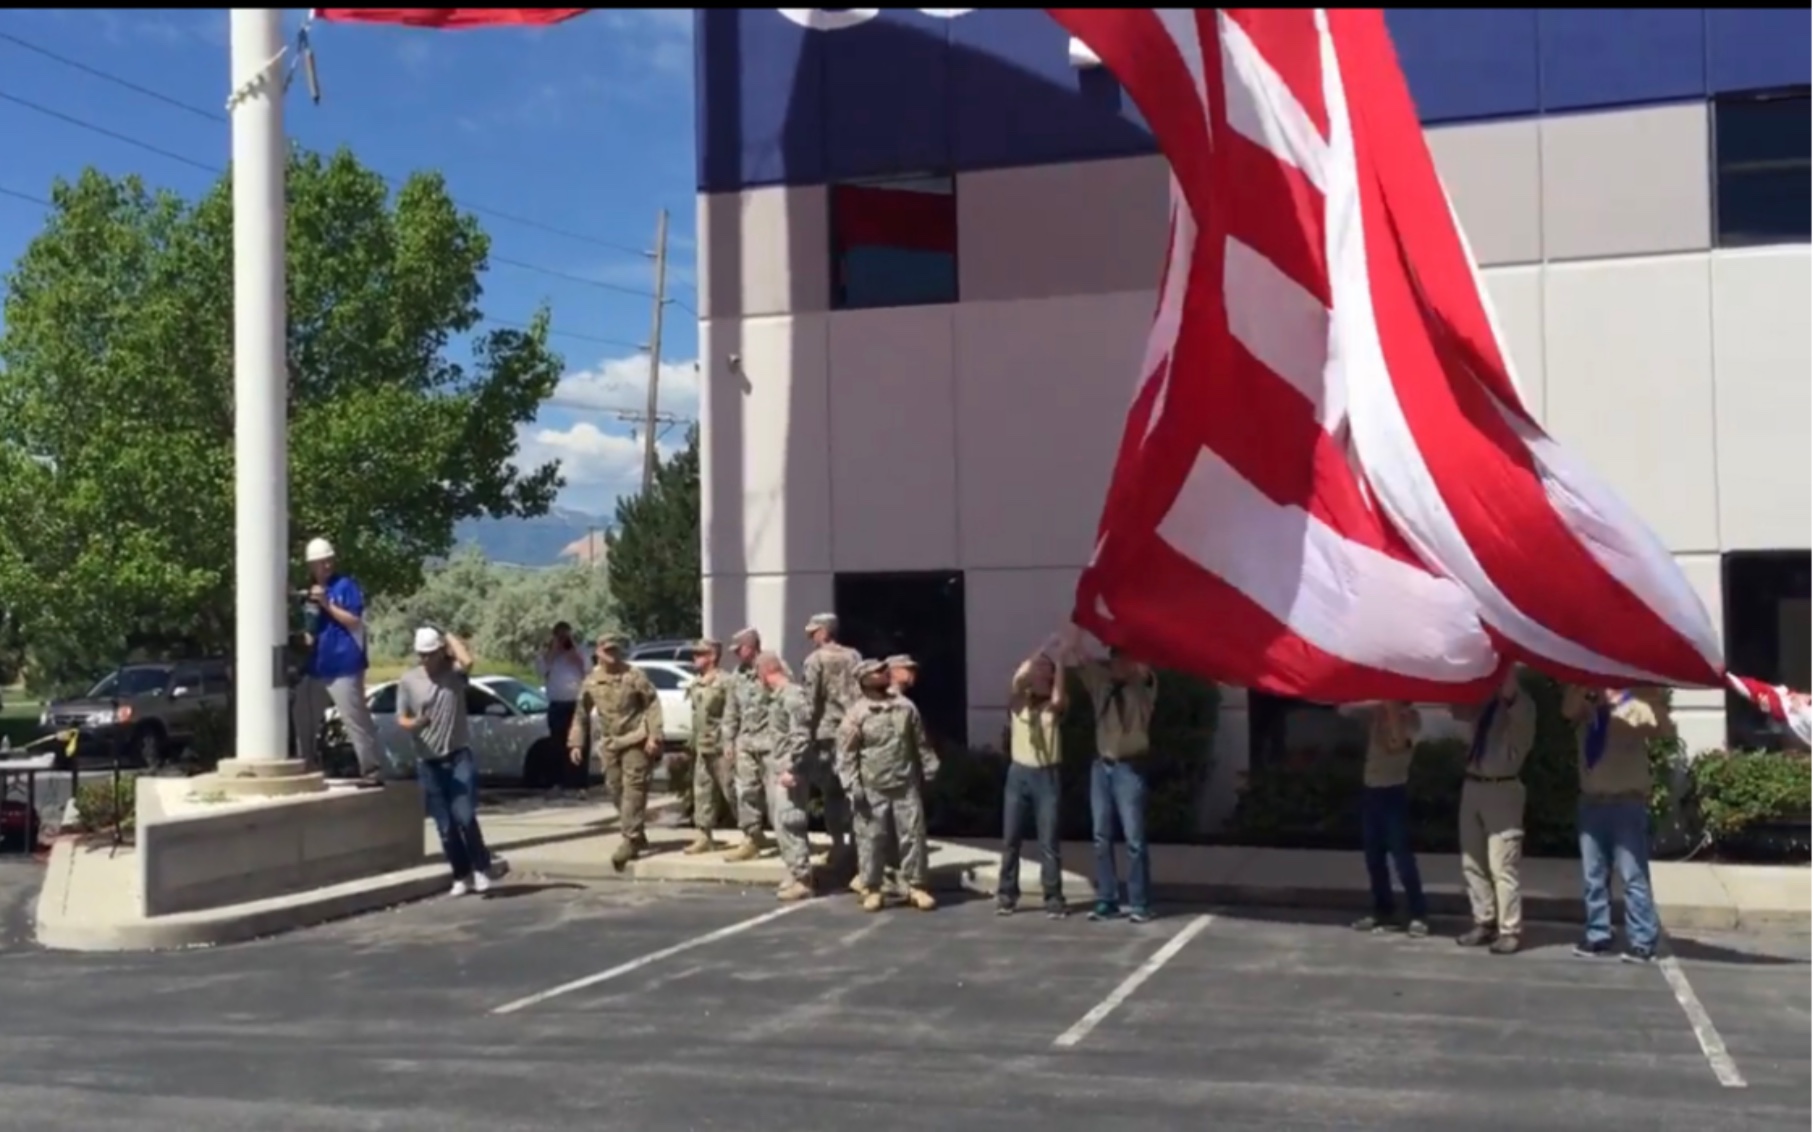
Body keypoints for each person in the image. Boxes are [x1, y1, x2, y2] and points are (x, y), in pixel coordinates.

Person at [1562, 684, 1668, 963]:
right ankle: (1598, 934)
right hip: (1592, 800)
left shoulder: (1642, 694)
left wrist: (1620, 700)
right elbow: (1567, 711)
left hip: (1626, 801)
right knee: (1593, 875)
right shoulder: (1585, 692)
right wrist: (1587, 695)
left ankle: (1643, 940)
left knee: (1633, 875)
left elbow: (1659, 724)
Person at [397, 627, 505, 897]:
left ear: (439, 652)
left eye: (430, 654)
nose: (425, 660)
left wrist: (447, 635)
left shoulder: (454, 675)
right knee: (444, 825)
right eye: (421, 655)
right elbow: (402, 718)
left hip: (458, 755)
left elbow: (467, 661)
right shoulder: (409, 680)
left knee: (465, 816)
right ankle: (461, 874)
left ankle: (481, 868)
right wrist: (416, 723)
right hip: (428, 761)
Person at [838, 659, 940, 912]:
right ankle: (872, 888)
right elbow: (846, 754)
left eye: (884, 670)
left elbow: (920, 742)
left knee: (913, 836)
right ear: (864, 680)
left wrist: (930, 766)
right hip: (872, 788)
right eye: (876, 672)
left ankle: (916, 886)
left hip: (905, 785)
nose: (883, 674)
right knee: (871, 840)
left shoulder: (905, 707)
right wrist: (852, 786)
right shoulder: (857, 714)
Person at [1453, 667, 1537, 955]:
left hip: (1502, 788)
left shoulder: (1522, 707)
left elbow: (1513, 700)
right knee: (1472, 860)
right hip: (1473, 785)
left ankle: (1509, 928)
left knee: (1502, 864)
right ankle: (1483, 920)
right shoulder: (1483, 703)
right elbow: (1458, 712)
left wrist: (1503, 676)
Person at [1073, 644, 1159, 923]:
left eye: (1124, 659)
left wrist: (1139, 662)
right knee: (1101, 836)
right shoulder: (1102, 686)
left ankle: (1140, 902)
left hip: (1129, 766)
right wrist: (1071, 636)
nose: (1118, 665)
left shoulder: (1142, 687)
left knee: (1134, 839)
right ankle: (1107, 899)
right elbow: (1082, 661)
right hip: (1102, 766)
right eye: (1115, 660)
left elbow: (1147, 674)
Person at [292, 537, 385, 784]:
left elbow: (354, 620)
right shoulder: (311, 590)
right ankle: (307, 762)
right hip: (318, 665)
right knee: (303, 712)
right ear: (312, 565)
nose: (326, 566)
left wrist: (327, 604)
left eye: (328, 561)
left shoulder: (345, 586)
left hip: (344, 663)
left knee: (355, 718)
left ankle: (371, 768)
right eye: (320, 562)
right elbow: (311, 624)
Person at [568, 633, 664, 871]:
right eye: (607, 651)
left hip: (635, 739)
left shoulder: (634, 676)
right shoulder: (591, 681)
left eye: (616, 650)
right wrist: (576, 743)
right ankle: (637, 832)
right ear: (598, 653)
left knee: (634, 788)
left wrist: (654, 735)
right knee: (614, 789)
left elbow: (652, 703)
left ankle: (630, 840)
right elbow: (581, 713)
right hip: (610, 742)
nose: (612, 655)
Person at [1343, 701, 1429, 936]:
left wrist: (1390, 709)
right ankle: (1384, 909)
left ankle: (1418, 912)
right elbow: (1344, 708)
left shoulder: (1411, 719)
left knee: (1402, 857)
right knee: (1374, 857)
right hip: (1371, 791)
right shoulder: (1376, 712)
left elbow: (1396, 744)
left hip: (1393, 792)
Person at [997, 651, 1069, 918]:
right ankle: (1006, 894)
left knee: (1048, 840)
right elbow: (1016, 683)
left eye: (1045, 671)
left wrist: (1059, 664)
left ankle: (1053, 897)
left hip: (1046, 776)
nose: (1040, 674)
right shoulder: (1018, 704)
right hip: (1019, 774)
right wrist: (1032, 659)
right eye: (1036, 670)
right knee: (1011, 838)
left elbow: (1060, 698)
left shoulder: (1053, 706)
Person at [801, 613, 859, 865]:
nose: (811, 637)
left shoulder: (815, 661)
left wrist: (805, 733)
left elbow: (810, 701)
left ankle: (838, 845)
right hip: (853, 731)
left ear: (825, 632)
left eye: (814, 632)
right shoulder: (854, 656)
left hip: (827, 735)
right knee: (855, 791)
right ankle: (858, 846)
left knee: (833, 793)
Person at [760, 652, 817, 901]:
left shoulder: (793, 696)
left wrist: (792, 768)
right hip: (778, 768)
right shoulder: (778, 697)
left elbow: (801, 737)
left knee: (790, 821)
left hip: (790, 772)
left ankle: (803, 878)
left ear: (765, 672)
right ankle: (794, 871)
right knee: (781, 823)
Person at [719, 628, 773, 862]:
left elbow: (785, 701)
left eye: (739, 649)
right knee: (746, 792)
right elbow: (731, 711)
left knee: (776, 797)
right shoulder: (737, 676)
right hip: (747, 744)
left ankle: (789, 840)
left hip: (771, 744)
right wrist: (728, 740)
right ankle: (752, 838)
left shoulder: (772, 667)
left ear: (751, 647)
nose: (736, 654)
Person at [682, 638, 736, 856]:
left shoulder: (726, 682)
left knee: (732, 791)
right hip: (702, 746)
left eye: (700, 654)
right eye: (694, 654)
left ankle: (753, 834)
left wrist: (731, 742)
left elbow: (733, 713)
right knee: (702, 792)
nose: (695, 657)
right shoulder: (697, 682)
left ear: (712, 656)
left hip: (721, 746)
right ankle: (705, 835)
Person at [535, 621, 590, 792]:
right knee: (558, 744)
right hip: (557, 704)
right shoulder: (547, 655)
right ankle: (560, 781)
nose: (564, 640)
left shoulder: (580, 652)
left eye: (566, 635)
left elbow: (588, 671)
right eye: (560, 636)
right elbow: (541, 671)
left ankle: (579, 782)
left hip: (577, 704)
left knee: (580, 743)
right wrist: (554, 651)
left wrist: (575, 655)